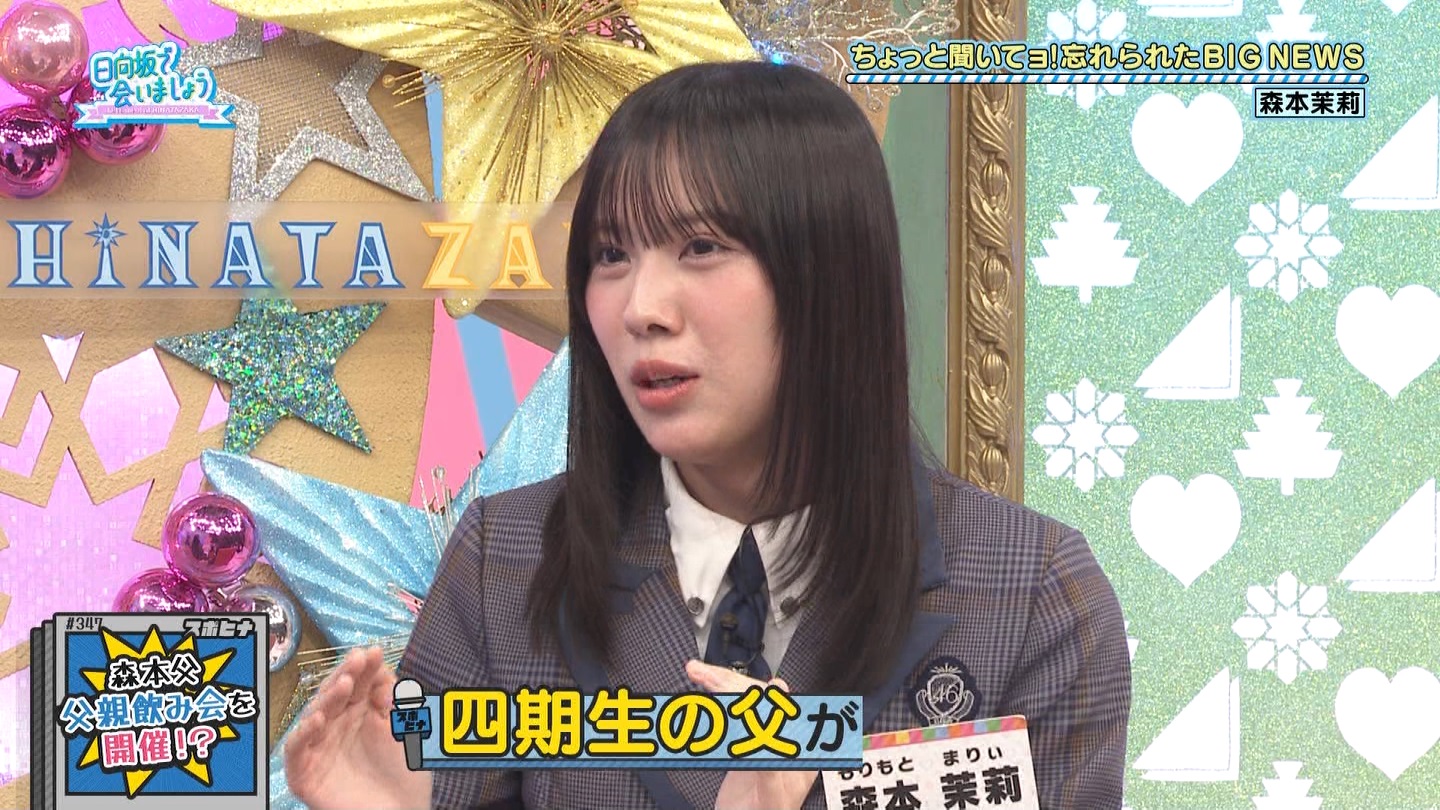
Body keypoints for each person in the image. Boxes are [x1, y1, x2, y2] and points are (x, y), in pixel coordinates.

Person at [282, 60, 1132, 810]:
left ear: (829, 274)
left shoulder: (1032, 594)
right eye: (609, 255)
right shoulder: (504, 563)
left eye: (699, 246)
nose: (640, 308)